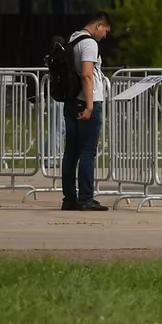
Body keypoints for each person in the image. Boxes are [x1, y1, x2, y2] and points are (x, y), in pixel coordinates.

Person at [60, 12, 113, 212]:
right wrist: (90, 105)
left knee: (71, 151)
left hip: (71, 101)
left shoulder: (73, 38)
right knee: (87, 151)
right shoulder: (90, 44)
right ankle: (86, 198)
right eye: (105, 31)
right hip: (87, 101)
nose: (105, 36)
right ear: (98, 25)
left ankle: (69, 198)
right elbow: (87, 74)